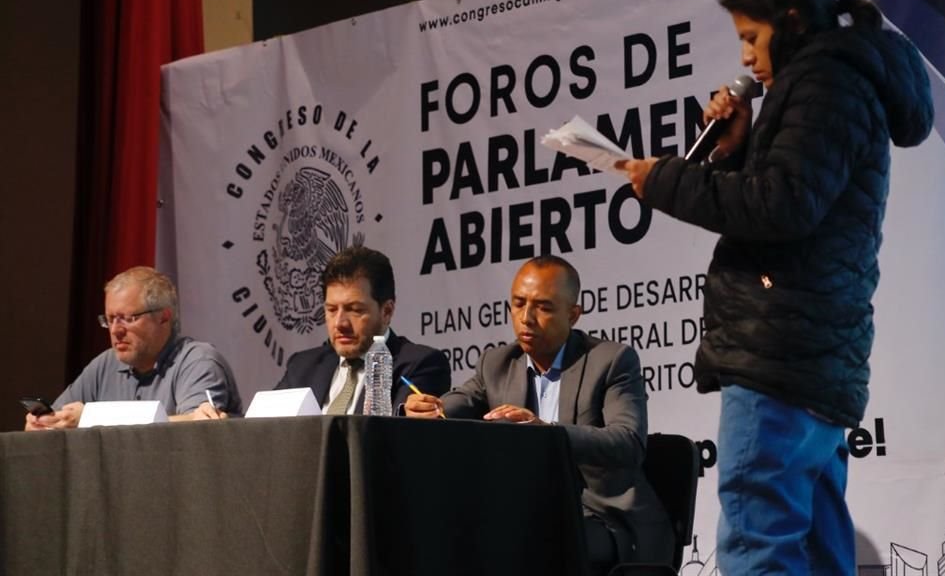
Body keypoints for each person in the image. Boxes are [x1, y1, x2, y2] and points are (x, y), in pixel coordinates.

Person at [617, 0, 933, 574]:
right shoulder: (837, 82)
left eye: (751, 38)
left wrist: (667, 181)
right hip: (810, 356)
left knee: (759, 546)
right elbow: (792, 200)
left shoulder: (824, 83)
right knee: (814, 549)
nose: (744, 59)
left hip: (780, 356)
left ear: (790, 21)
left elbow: (780, 207)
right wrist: (738, 150)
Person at [405, 255, 674, 574]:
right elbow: (455, 403)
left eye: (543, 308)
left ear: (573, 314)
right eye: (517, 304)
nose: (526, 318)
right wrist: (429, 410)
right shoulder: (498, 363)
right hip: (528, 513)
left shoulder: (612, 361)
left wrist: (545, 433)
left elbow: (628, 443)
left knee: (521, 538)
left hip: (606, 518)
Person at [25, 266, 242, 430]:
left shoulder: (198, 361)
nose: (115, 330)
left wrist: (93, 418)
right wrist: (43, 422)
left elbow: (197, 424)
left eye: (128, 318)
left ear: (163, 317)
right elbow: (56, 419)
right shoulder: (105, 364)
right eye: (110, 319)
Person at [274, 246, 450, 414]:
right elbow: (263, 429)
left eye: (355, 309)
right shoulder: (302, 367)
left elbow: (398, 435)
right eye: (331, 310)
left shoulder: (420, 365)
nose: (340, 323)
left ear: (386, 311)